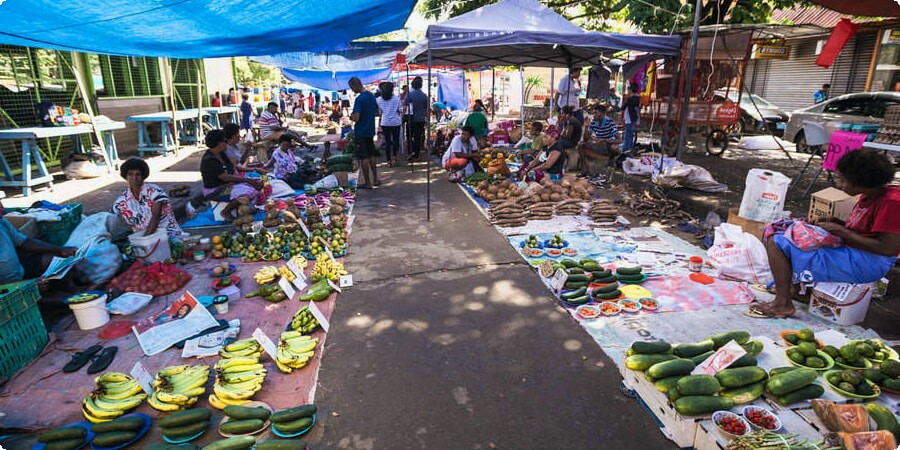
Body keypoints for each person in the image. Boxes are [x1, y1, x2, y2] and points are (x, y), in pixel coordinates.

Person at [746, 148, 900, 319]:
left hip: (868, 262)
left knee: (777, 241)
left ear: (859, 182)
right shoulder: (869, 195)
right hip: (858, 251)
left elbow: (888, 249)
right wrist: (837, 223)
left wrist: (842, 232)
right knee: (782, 231)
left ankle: (783, 303)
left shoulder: (892, 203)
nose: (840, 185)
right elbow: (865, 231)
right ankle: (797, 291)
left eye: (842, 180)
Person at [200, 129, 264, 221]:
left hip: (227, 185)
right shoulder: (209, 160)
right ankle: (225, 211)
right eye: (224, 142)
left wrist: (244, 180)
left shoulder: (221, 154)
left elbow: (231, 170)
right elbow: (225, 177)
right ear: (219, 143)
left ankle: (248, 208)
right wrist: (246, 180)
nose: (226, 144)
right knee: (249, 191)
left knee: (258, 183)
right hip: (215, 191)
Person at [112, 157, 182, 238]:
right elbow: (109, 217)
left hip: (168, 236)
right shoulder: (122, 200)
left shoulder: (155, 191)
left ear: (143, 176)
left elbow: (155, 217)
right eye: (130, 174)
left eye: (138, 174)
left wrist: (144, 239)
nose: (134, 178)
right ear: (125, 176)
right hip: (144, 239)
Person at [0, 215, 77, 285]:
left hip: (20, 270)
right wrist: (28, 283)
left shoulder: (2, 223)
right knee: (50, 294)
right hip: (6, 287)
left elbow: (24, 242)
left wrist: (60, 249)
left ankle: (72, 287)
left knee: (59, 259)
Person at [349, 77, 379, 188]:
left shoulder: (359, 99)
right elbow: (377, 112)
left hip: (361, 131)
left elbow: (356, 117)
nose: (352, 90)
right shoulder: (371, 96)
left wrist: (351, 117)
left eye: (352, 88)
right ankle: (375, 179)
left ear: (356, 85)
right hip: (370, 130)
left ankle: (368, 182)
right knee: (372, 155)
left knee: (364, 157)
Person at [579, 104, 622, 175]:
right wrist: (586, 127)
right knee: (581, 145)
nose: (594, 115)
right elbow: (586, 139)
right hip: (599, 144)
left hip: (608, 144)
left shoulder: (610, 122)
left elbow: (619, 140)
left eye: (596, 113)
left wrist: (603, 140)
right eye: (593, 113)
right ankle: (585, 170)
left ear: (602, 113)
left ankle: (611, 162)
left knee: (614, 148)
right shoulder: (593, 122)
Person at [376, 82, 402, 167]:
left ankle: (388, 160)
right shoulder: (396, 99)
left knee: (387, 141)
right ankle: (394, 156)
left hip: (385, 122)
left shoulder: (379, 99)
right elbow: (400, 110)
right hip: (395, 122)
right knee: (395, 140)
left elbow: (380, 112)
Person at [404, 77, 429, 161]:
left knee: (409, 136)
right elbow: (426, 109)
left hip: (411, 119)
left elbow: (404, 106)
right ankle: (417, 154)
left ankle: (410, 152)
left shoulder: (409, 94)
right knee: (418, 137)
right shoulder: (424, 95)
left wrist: (403, 116)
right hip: (421, 119)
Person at [622, 83, 640, 155]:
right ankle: (629, 149)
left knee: (627, 136)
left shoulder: (630, 99)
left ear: (631, 90)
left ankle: (625, 151)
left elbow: (623, 107)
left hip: (629, 119)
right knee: (630, 135)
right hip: (633, 119)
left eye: (628, 89)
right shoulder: (638, 98)